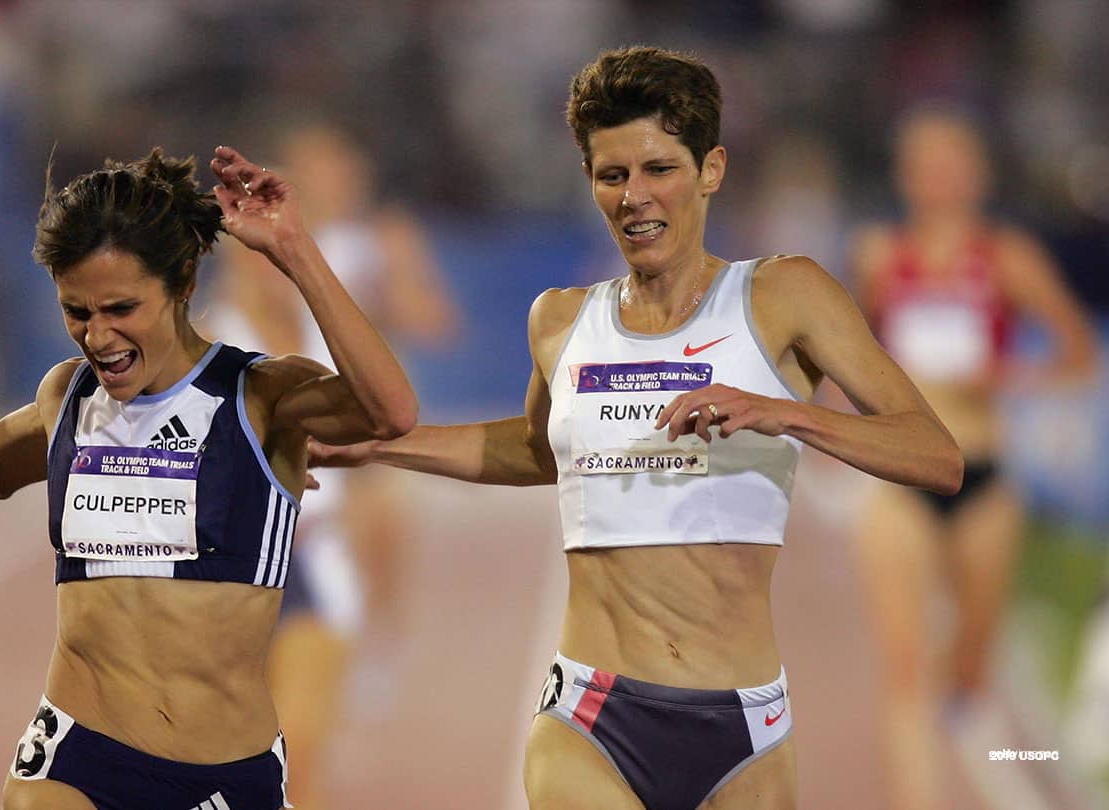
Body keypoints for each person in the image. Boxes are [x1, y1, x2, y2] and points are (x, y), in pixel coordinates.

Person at [311, 46, 962, 809]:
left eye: (659, 169)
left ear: (711, 169)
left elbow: (936, 455)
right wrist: (383, 446)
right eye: (611, 176)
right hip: (592, 713)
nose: (634, 197)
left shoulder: (787, 297)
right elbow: (535, 450)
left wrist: (783, 412)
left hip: (745, 721)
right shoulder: (560, 319)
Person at [0, 145, 417, 810]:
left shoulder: (258, 394)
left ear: (182, 286)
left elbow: (391, 411)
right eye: (76, 312)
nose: (99, 337)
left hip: (225, 772)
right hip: (78, 753)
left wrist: (293, 250)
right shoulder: (70, 395)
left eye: (121, 308)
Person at [201, 119, 459, 810]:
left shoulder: (342, 278)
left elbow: (412, 354)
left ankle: (380, 637)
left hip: (316, 549)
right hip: (235, 569)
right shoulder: (212, 335)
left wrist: (393, 283)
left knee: (299, 756)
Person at [849, 109, 1097, 810]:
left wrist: (1004, 374)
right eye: (926, 165)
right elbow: (838, 349)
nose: (940, 180)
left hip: (984, 482)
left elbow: (1078, 354)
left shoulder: (1008, 258)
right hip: (901, 482)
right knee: (904, 672)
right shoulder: (877, 257)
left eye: (952, 164)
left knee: (970, 670)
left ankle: (966, 686)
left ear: (978, 176)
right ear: (905, 177)